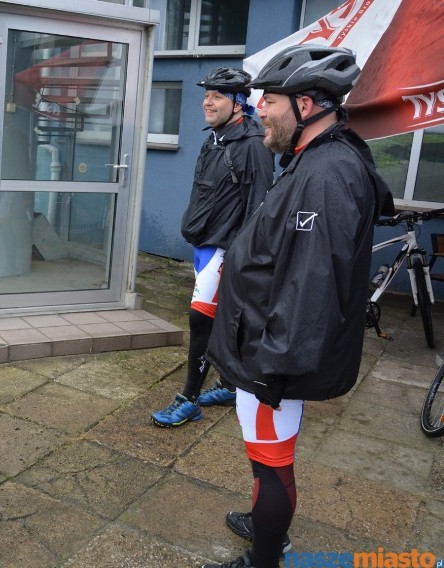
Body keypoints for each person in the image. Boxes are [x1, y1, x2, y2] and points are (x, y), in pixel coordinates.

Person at [202, 45, 394, 568]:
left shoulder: (326, 175)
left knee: (272, 463)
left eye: (269, 99)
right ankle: (269, 520)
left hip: (274, 357)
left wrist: (274, 369)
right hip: (263, 343)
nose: (257, 107)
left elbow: (312, 287)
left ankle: (266, 555)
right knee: (266, 457)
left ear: (305, 106)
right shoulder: (309, 160)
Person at [151, 68, 274, 428]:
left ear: (238, 103)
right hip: (204, 247)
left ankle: (189, 399)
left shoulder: (253, 145)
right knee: (221, 320)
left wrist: (241, 256)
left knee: (200, 322)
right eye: (207, 95)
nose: (207, 101)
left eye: (217, 96)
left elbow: (259, 206)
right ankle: (231, 384)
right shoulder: (217, 137)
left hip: (225, 250)